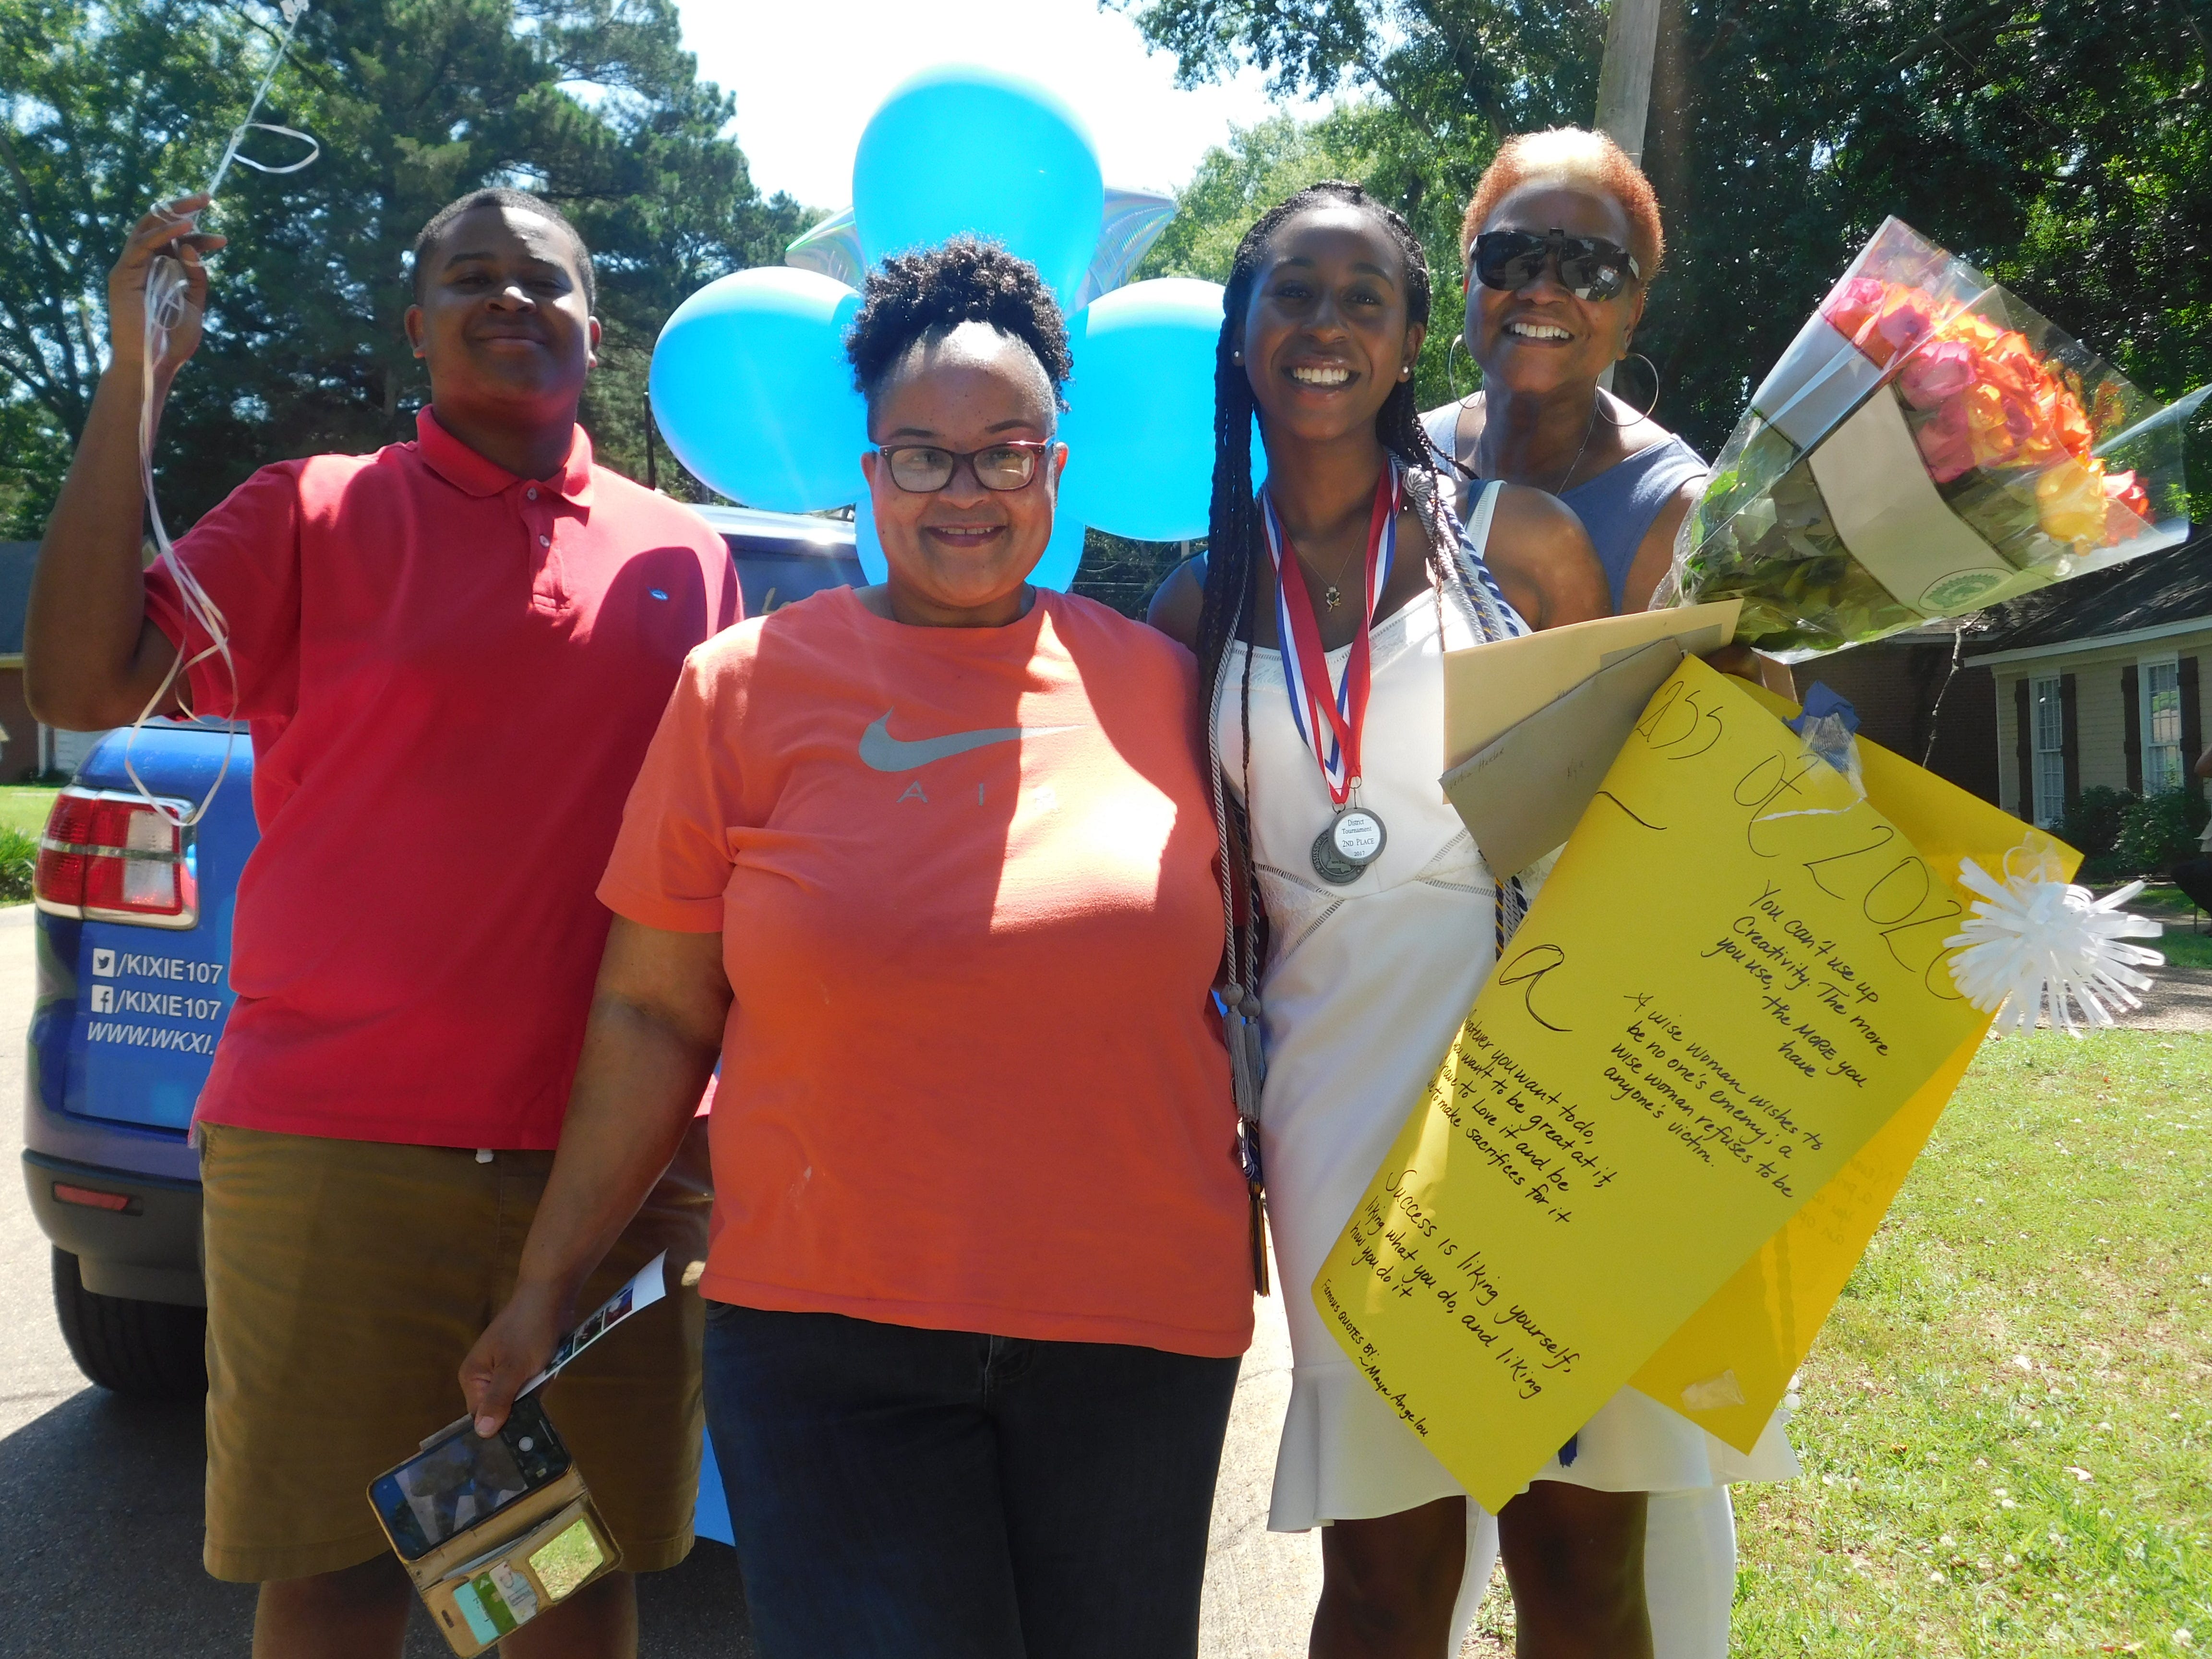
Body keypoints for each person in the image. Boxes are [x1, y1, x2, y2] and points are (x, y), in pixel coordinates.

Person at [459, 238, 1254, 1659]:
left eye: (1005, 452)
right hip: (829, 1339)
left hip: (1134, 1333)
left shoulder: (1168, 691)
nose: (966, 489)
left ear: (1057, 469)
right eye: (925, 455)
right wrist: (544, 1282)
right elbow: (653, 1016)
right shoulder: (742, 690)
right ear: (870, 472)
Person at [25, 186, 738, 1658]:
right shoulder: (311, 509)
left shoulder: (686, 556)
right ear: (417, 327)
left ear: (593, 325)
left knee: (558, 1587)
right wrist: (136, 381)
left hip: (606, 1166)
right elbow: (85, 684)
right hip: (337, 1154)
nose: (508, 296)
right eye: (469, 277)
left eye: (541, 277)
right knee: (339, 1578)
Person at [1149, 180, 1796, 1659]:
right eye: (1292, 294)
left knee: (1580, 1563)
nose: (1324, 325)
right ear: (1241, 333)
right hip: (1334, 1107)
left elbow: (1637, 800)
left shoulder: (1525, 547)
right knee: (1384, 1580)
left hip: (1547, 1087)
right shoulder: (1197, 604)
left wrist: (1746, 717)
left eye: (1362, 298)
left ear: (1409, 339)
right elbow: (1195, 905)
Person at [1423, 128, 1707, 617]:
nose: (1542, 291)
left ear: (1631, 318)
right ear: (1469, 284)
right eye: (1510, 255)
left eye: (1591, 269)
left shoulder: (1678, 520)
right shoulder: (1403, 452)